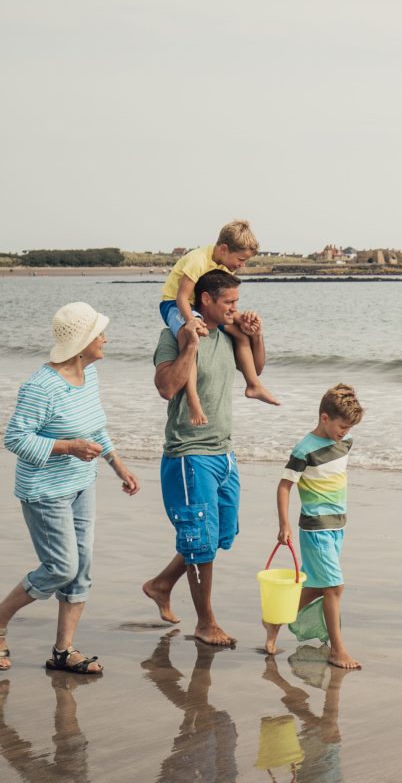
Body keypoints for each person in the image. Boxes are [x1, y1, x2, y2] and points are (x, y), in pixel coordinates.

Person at [0, 301, 141, 675]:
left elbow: (94, 426)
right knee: (62, 567)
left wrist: (118, 465)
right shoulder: (41, 387)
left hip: (82, 485)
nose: (106, 339)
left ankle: (63, 652)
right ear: (82, 342)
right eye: (100, 334)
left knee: (81, 570)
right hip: (45, 490)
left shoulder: (90, 376)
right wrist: (68, 447)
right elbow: (15, 439)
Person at [141, 270, 258, 645]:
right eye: (229, 302)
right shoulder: (172, 336)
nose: (234, 309)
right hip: (188, 455)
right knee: (200, 542)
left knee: (220, 535)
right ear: (205, 300)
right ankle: (205, 622)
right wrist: (190, 344)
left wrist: (257, 334)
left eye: (237, 302)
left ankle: (162, 584)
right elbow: (166, 387)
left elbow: (257, 370)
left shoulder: (227, 335)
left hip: (223, 453)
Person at [265, 384, 365, 668]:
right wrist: (284, 525)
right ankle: (337, 649)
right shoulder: (303, 450)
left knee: (320, 587)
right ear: (324, 418)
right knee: (335, 586)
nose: (345, 432)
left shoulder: (343, 443)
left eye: (349, 427)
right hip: (315, 528)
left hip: (337, 527)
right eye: (342, 426)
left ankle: (274, 620)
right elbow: (284, 487)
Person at [158, 219, 279, 415]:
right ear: (224, 249)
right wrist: (191, 321)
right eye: (240, 260)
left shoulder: (222, 265)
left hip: (199, 306)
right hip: (175, 303)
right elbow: (182, 297)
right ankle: (193, 398)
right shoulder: (197, 260)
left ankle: (253, 385)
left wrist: (248, 324)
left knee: (240, 334)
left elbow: (220, 301)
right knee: (190, 335)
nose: (241, 265)